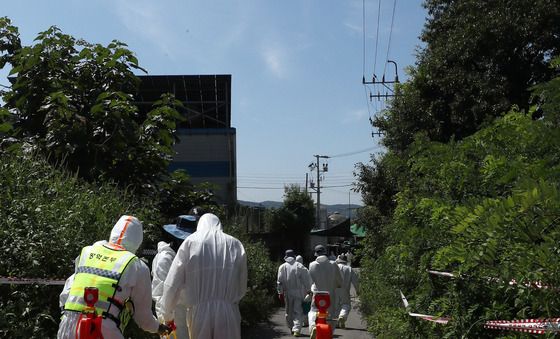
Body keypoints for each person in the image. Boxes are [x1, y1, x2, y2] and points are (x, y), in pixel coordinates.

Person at [57, 215, 170, 338]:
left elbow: (66, 291)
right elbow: (143, 318)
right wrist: (158, 328)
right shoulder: (136, 266)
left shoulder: (88, 252)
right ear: (138, 242)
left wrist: (68, 315)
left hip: (68, 326)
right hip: (103, 329)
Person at [159, 213, 248, 339]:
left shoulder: (191, 242)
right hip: (228, 312)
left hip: (199, 313)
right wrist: (230, 301)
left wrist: (167, 315)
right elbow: (242, 284)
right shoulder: (235, 244)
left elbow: (173, 282)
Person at [152, 207, 205, 339]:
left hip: (189, 318)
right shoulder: (165, 259)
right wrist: (166, 323)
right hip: (173, 321)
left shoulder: (186, 256)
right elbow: (160, 295)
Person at [307, 244, 343, 338]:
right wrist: (338, 285)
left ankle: (313, 327)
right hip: (330, 295)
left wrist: (309, 291)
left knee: (313, 311)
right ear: (325, 253)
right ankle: (329, 333)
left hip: (317, 294)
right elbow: (339, 279)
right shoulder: (333, 264)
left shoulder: (312, 265)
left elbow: (309, 282)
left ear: (316, 254)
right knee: (330, 315)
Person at [277, 249, 312, 337]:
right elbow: (306, 280)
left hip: (287, 292)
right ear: (294, 256)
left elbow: (279, 282)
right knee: (298, 311)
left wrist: (280, 292)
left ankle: (291, 327)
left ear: (286, 256)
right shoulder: (300, 266)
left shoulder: (282, 267)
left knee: (288, 311)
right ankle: (296, 329)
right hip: (298, 292)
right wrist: (309, 290)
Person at [334, 254, 359, 329]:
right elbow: (355, 281)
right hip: (345, 289)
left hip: (334, 289)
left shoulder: (334, 267)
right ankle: (343, 316)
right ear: (345, 261)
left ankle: (337, 323)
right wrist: (358, 290)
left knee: (336, 306)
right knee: (346, 305)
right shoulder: (349, 269)